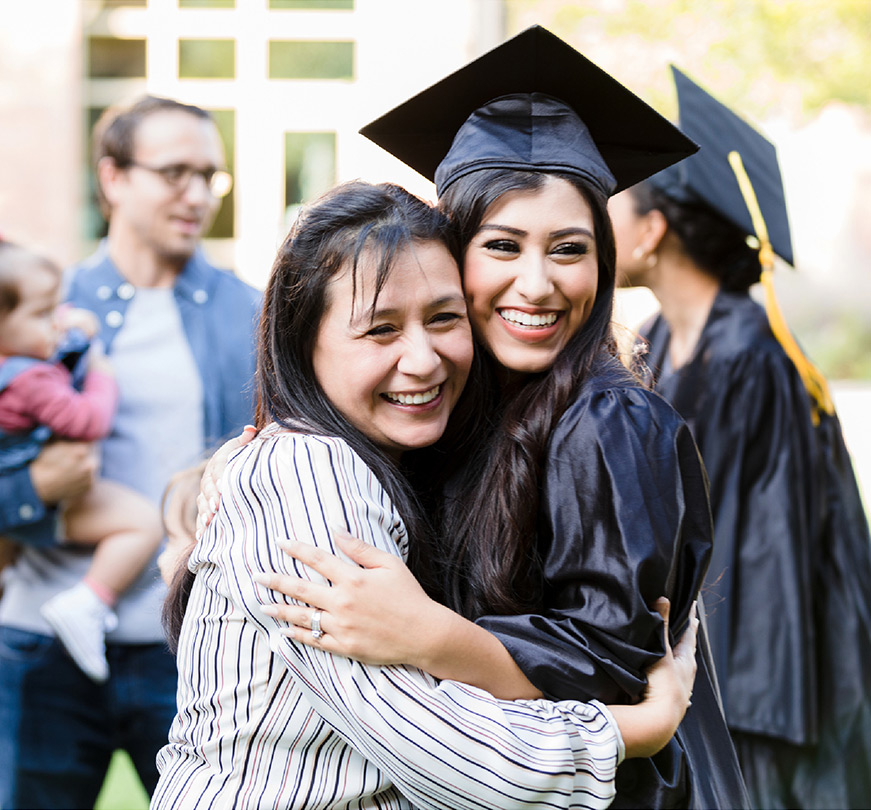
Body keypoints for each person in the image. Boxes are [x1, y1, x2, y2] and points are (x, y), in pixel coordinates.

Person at [201, 26, 749, 809]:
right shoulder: (447, 405)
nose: (537, 283)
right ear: (449, 251)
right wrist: (220, 472)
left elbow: (616, 664)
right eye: (501, 245)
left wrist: (430, 635)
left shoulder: (608, 422)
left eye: (568, 249)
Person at [154, 179, 700, 810]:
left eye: (445, 318)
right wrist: (643, 727)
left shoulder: (413, 458)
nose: (423, 360)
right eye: (381, 329)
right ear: (303, 342)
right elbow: (445, 748)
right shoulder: (304, 472)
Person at [608, 67, 871, 809]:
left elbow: (765, 554)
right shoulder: (656, 340)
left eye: (615, 205)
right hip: (687, 650)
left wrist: (718, 705)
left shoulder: (752, 357)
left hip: (753, 671)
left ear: (653, 231)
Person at [0, 95, 260, 809]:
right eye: (175, 172)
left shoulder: (257, 314)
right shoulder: (34, 306)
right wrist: (32, 490)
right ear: (112, 177)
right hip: (40, 648)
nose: (198, 194)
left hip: (193, 652)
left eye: (210, 175)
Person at [0, 239, 164, 683]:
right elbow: (85, 421)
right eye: (41, 314)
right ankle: (89, 601)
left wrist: (70, 326)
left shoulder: (17, 359)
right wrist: (101, 377)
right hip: (47, 499)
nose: (56, 322)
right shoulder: (29, 379)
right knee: (143, 523)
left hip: (18, 507)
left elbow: (57, 337)